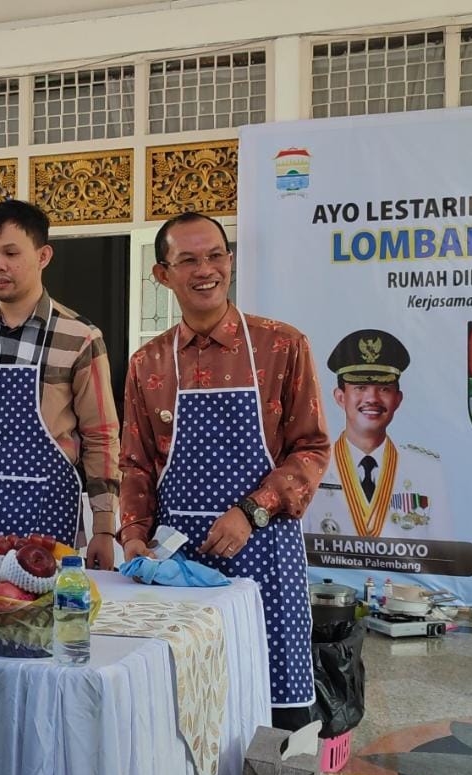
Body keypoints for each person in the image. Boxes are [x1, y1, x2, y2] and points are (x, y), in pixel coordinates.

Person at [118, 212, 330, 730]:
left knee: (276, 718)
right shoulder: (147, 363)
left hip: (264, 559)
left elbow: (311, 449)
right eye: (187, 259)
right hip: (178, 565)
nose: (204, 269)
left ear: (230, 262)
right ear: (162, 274)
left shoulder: (282, 345)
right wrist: (133, 539)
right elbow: (136, 464)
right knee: (188, 709)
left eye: (215, 255)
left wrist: (250, 512)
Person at [0, 199, 120, 568]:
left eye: (10, 253)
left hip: (48, 516)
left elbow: (101, 434)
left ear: (43, 255)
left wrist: (104, 528)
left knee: (44, 622)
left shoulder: (79, 337)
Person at [305, 329, 450, 539]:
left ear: (398, 399)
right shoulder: (312, 466)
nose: (372, 398)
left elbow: (443, 555)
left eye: (384, 389)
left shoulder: (427, 470)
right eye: (360, 387)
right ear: (340, 397)